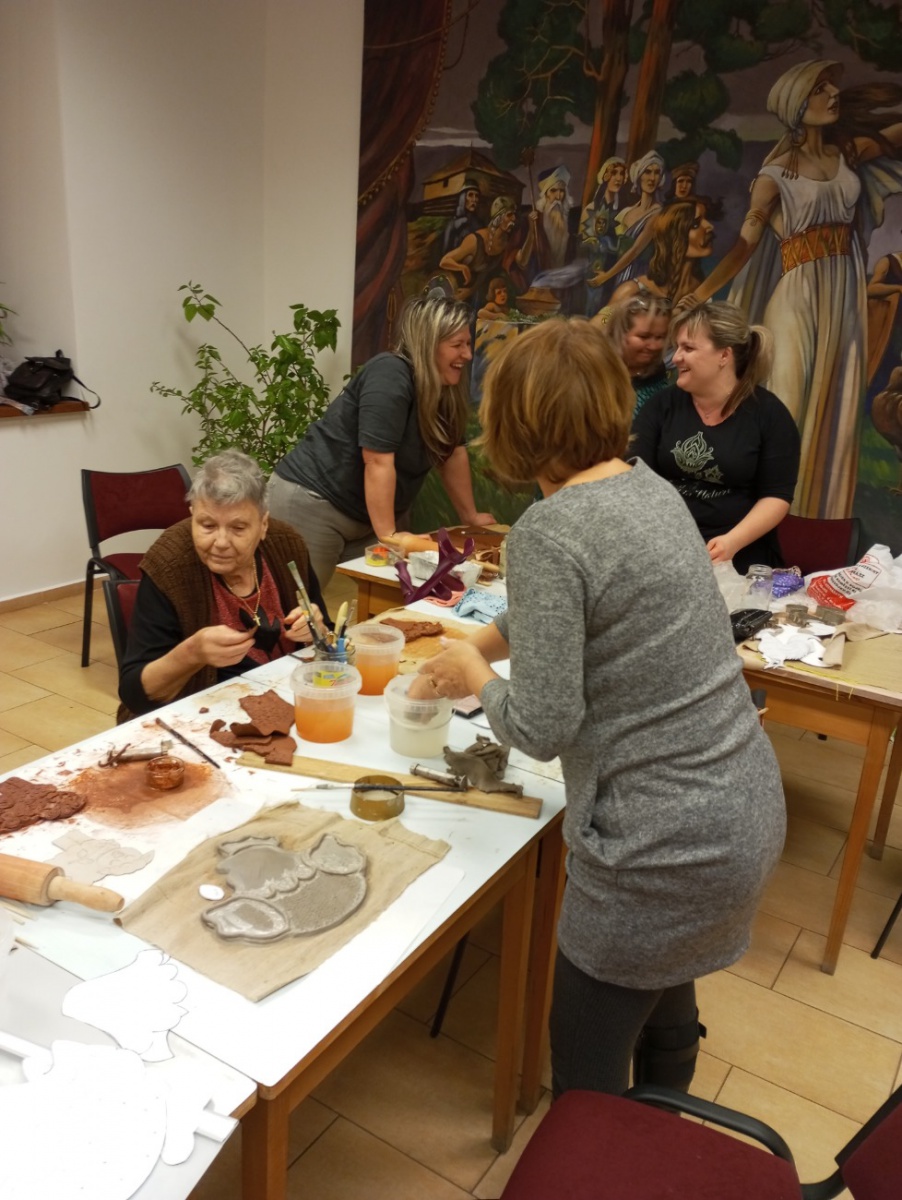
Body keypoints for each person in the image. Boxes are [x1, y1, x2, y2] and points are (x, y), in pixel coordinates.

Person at [415, 317, 785, 1099]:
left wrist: (472, 670)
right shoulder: (648, 487)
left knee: (586, 1076)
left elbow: (542, 726)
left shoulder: (548, 532)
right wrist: (476, 644)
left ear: (515, 423)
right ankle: (657, 1137)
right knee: (665, 992)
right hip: (739, 808)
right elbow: (574, 611)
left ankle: (603, 1153)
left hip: (658, 840)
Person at [677, 59, 902, 519]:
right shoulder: (774, 176)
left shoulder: (847, 156)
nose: (833, 94)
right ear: (797, 105)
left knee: (837, 406)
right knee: (786, 402)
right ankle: (760, 515)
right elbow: (744, 246)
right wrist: (703, 294)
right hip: (797, 297)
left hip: (844, 300)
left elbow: (895, 135)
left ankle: (817, 516)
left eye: (832, 87)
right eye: (821, 89)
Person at [269, 296, 495, 586]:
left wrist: (470, 516)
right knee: (299, 602)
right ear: (428, 344)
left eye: (468, 344)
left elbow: (451, 453)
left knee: (391, 595)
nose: (467, 354)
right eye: (457, 345)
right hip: (314, 501)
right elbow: (377, 459)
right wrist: (389, 535)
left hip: (366, 516)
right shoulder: (390, 372)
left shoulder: (445, 390)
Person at [118, 450, 328, 718]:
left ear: (263, 524)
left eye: (238, 528)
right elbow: (135, 695)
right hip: (201, 715)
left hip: (287, 700)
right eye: (207, 525)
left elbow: (329, 636)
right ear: (192, 515)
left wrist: (318, 629)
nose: (220, 542)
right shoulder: (169, 566)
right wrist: (192, 653)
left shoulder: (286, 545)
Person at [631, 301, 800, 574]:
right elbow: (635, 478)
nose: (676, 357)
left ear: (724, 355)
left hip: (739, 561)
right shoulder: (661, 406)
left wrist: (731, 543)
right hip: (664, 553)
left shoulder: (770, 415)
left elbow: (776, 496)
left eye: (688, 348)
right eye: (677, 347)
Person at [594, 292, 671, 414]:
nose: (654, 346)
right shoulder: (595, 369)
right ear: (620, 332)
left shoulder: (658, 372)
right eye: (644, 337)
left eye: (660, 337)